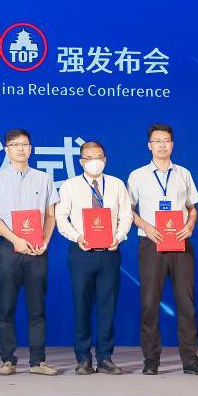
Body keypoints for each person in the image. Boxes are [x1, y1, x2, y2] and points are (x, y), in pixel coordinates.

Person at [127, 123, 198, 376]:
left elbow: (192, 208)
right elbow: (128, 210)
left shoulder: (183, 173)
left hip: (180, 242)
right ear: (149, 145)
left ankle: (191, 360)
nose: (162, 145)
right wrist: (146, 227)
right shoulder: (137, 175)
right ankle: (151, 360)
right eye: (157, 141)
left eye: (166, 140)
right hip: (151, 243)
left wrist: (190, 225)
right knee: (149, 303)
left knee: (186, 303)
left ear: (172, 144)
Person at [0, 128, 59, 376]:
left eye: (24, 144)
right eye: (15, 145)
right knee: (6, 306)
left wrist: (45, 241)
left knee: (37, 307)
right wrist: (16, 240)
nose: (20, 149)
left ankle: (38, 361)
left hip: (37, 249)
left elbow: (50, 215)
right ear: (7, 150)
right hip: (9, 249)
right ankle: (8, 360)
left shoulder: (44, 179)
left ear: (31, 148)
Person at [55, 140, 132, 375]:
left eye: (98, 157)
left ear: (105, 160)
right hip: (82, 253)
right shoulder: (70, 186)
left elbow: (126, 215)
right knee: (82, 306)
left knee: (108, 307)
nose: (94, 162)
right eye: (89, 158)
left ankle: (105, 357)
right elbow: (61, 217)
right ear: (81, 162)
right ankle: (83, 358)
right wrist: (76, 236)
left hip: (110, 253)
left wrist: (118, 237)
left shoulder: (117, 184)